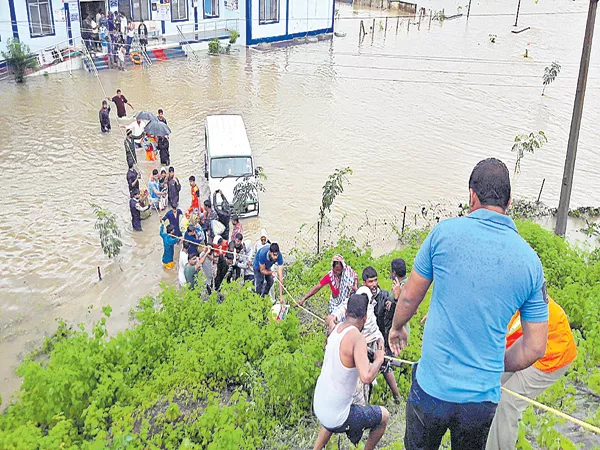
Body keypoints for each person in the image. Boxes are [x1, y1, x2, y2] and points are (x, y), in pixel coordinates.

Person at [388, 158, 549, 450]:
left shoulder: (442, 234)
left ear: (471, 196)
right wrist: (494, 365)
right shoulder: (530, 263)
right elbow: (536, 346)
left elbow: (410, 296)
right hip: (480, 399)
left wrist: (397, 327)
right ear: (509, 202)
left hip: (432, 391)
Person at [486, 296, 577, 450]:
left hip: (552, 353)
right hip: (526, 343)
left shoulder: (508, 304)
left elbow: (494, 343)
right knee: (488, 388)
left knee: (508, 402)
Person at [313, 293, 390, 450]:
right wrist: (379, 359)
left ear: (346, 312)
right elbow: (367, 376)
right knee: (384, 416)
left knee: (334, 412)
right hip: (336, 415)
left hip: (320, 405)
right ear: (365, 318)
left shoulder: (336, 329)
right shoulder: (357, 338)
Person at [361, 267, 401, 402]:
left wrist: (395, 299)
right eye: (370, 281)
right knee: (364, 372)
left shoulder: (384, 296)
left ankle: (398, 398)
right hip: (364, 340)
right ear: (364, 283)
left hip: (380, 339)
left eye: (375, 280)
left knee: (385, 367)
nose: (373, 284)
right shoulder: (361, 297)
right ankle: (366, 401)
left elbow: (390, 317)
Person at [376, 259, 407, 355]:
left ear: (394, 273)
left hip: (399, 331)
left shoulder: (406, 286)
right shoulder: (399, 284)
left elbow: (411, 310)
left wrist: (397, 298)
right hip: (390, 327)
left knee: (394, 359)